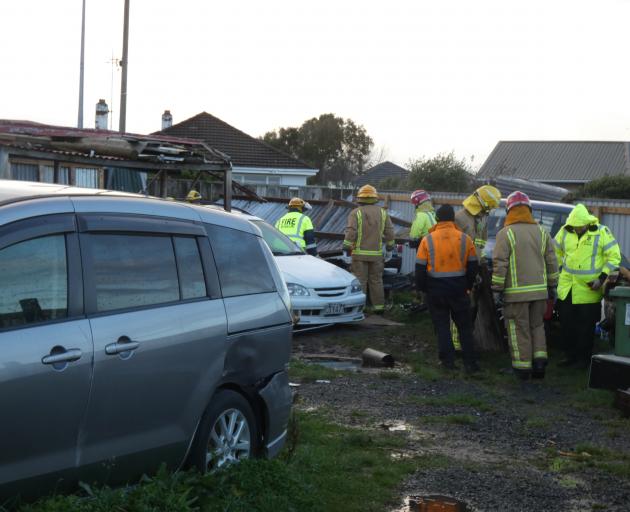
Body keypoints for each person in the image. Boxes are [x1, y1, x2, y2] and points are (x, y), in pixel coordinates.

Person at [491, 191, 559, 380]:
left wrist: (496, 289)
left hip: (515, 295)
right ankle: (539, 363)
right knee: (537, 326)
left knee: (518, 328)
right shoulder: (542, 232)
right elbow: (552, 261)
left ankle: (522, 368)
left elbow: (500, 263)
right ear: (529, 210)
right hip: (540, 293)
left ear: (509, 211)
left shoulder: (505, 234)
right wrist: (553, 285)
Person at [554, 204, 621, 368]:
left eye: (580, 226)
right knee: (567, 324)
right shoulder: (564, 231)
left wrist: (602, 278)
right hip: (567, 289)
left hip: (589, 290)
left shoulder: (601, 232)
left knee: (585, 327)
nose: (577, 229)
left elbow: (614, 257)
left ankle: (583, 360)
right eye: (575, 227)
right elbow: (554, 252)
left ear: (587, 222)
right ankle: (570, 356)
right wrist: (555, 272)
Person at [416, 204, 480, 372]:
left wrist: (424, 289)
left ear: (437, 219)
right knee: (465, 328)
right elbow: (473, 266)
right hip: (459, 290)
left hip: (436, 291)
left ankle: (448, 362)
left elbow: (420, 269)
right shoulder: (465, 239)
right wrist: (467, 285)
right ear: (452, 219)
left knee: (442, 326)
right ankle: (470, 364)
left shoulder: (427, 239)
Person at [450, 185, 502, 350]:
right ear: (482, 204)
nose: (490, 211)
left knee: (471, 307)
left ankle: (466, 339)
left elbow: (480, 244)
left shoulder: (480, 219)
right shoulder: (459, 218)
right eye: (489, 207)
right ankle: (456, 345)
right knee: (459, 307)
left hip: (473, 268)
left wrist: (480, 263)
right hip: (459, 270)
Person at [342, 184, 395, 314]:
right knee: (376, 280)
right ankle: (379, 308)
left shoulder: (355, 213)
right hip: (377, 256)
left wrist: (346, 250)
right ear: (375, 198)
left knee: (360, 281)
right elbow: (390, 233)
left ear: (359, 199)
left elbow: (351, 233)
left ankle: (360, 308)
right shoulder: (383, 213)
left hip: (359, 255)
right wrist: (389, 249)